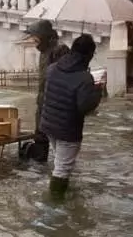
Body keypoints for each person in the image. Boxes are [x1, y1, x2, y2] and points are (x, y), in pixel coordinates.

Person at [39, 34, 104, 198]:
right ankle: (54, 205)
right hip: (67, 129)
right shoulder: (84, 78)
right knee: (62, 168)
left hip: (48, 124)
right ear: (89, 54)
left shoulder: (52, 68)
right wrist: (97, 90)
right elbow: (85, 107)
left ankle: (62, 191)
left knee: (59, 161)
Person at [23, 19, 70, 162]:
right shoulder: (43, 52)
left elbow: (64, 77)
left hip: (55, 103)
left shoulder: (59, 51)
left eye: (35, 36)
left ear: (43, 36)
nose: (32, 40)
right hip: (43, 101)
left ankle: (61, 168)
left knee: (58, 138)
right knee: (40, 134)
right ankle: (40, 163)